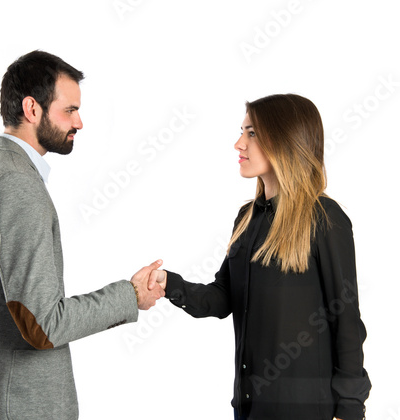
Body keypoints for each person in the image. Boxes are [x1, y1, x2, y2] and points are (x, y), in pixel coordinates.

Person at [0, 50, 165, 420]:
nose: (80, 122)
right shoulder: (16, 184)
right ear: (32, 109)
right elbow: (41, 325)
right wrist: (130, 296)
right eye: (69, 110)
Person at [149, 94, 371, 420]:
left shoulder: (325, 218)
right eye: (242, 131)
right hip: (250, 407)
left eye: (251, 133)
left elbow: (346, 320)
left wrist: (350, 409)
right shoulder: (247, 218)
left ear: (285, 139)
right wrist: (169, 284)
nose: (239, 144)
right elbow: (223, 297)